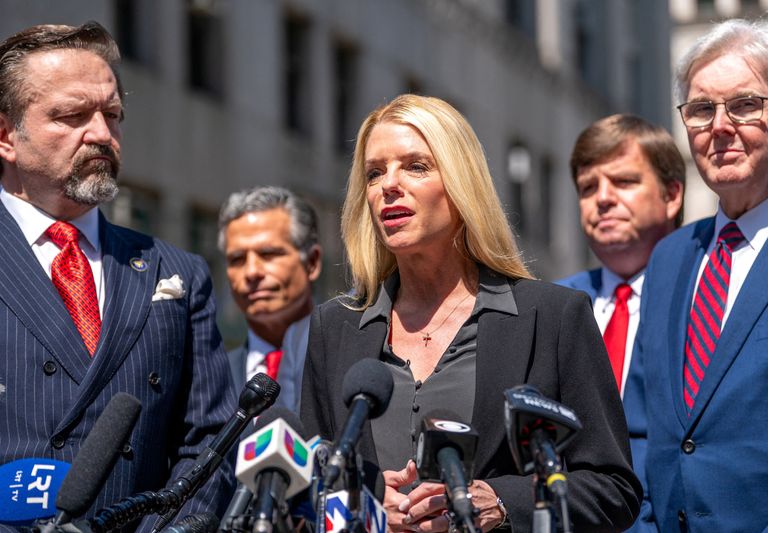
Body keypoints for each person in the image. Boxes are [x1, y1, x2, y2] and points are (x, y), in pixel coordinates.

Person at [300, 94, 641, 533]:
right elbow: (306, 481)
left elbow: (613, 489)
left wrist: (499, 503)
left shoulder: (553, 317)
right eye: (374, 173)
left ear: (462, 183)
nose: (389, 185)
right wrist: (358, 505)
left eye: (416, 166)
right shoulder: (335, 326)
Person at [0, 21, 235, 527]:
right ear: (5, 136)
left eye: (112, 115)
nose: (102, 134)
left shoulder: (177, 273)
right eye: (72, 115)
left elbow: (209, 442)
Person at [634, 19, 768, 532]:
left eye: (746, 105)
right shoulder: (670, 257)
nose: (720, 126)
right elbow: (641, 433)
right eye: (702, 109)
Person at [557, 114, 684, 530]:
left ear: (672, 195)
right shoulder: (555, 304)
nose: (603, 198)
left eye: (624, 182)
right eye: (588, 188)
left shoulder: (704, 297)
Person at [218, 186, 322, 413]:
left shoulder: (350, 360)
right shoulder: (212, 380)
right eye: (237, 259)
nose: (251, 271)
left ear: (312, 262)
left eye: (268, 254)